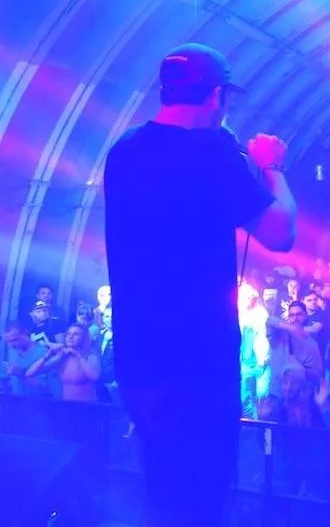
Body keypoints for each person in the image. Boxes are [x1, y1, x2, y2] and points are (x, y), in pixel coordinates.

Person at [103, 42, 297, 527]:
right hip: (199, 364)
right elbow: (281, 232)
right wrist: (272, 167)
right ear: (216, 97)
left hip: (140, 359)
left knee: (162, 490)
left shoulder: (123, 151)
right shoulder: (212, 156)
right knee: (203, 497)